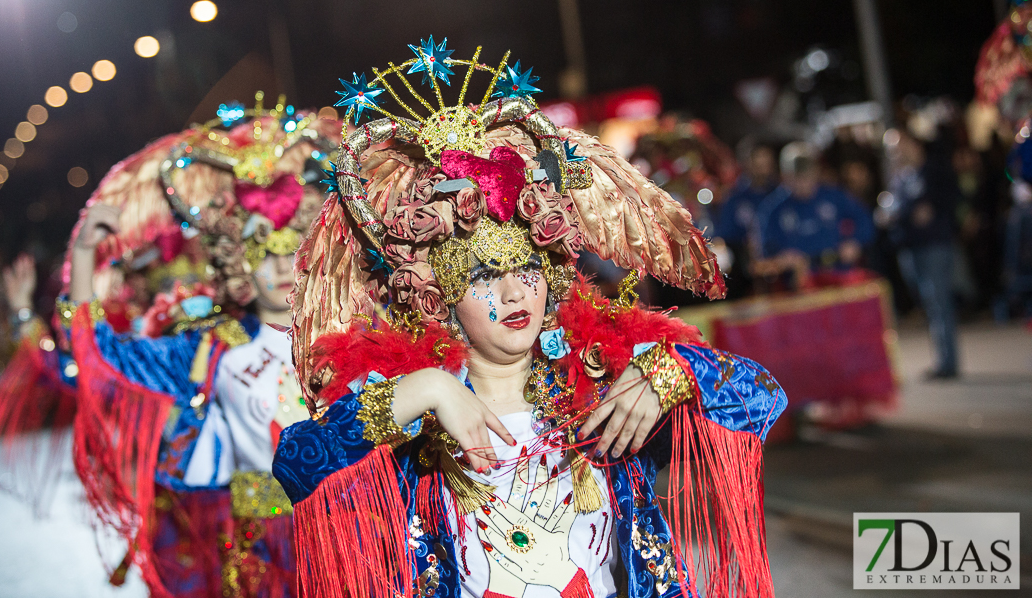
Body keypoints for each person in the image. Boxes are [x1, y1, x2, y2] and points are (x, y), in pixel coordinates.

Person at [272, 41, 787, 598]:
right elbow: (299, 465)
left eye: (526, 268)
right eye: (482, 278)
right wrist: (428, 387)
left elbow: (760, 396)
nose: (515, 292)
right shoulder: (414, 421)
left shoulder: (597, 384)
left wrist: (673, 372)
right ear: (438, 297)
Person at [37, 103, 336, 597]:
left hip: (350, 530)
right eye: (264, 253)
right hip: (263, 546)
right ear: (235, 262)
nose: (281, 267)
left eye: (292, 250)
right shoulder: (211, 348)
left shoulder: (351, 332)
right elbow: (103, 355)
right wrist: (86, 256)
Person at [884, 129, 962, 379]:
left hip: (934, 244)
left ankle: (948, 363)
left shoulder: (934, 170)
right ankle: (942, 359)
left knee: (939, 302)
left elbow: (954, 196)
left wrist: (934, 209)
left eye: (899, 146)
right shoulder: (900, 178)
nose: (896, 153)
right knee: (928, 303)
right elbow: (896, 209)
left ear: (913, 144)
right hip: (910, 247)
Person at [756, 142, 875, 287]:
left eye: (807, 176)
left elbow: (864, 218)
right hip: (798, 281)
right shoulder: (772, 209)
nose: (803, 183)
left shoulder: (832, 196)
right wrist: (782, 259)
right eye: (797, 178)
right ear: (785, 177)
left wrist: (855, 241)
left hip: (837, 270)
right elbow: (764, 252)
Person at [715, 142, 779, 297]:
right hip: (748, 273)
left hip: (780, 264)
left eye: (766, 163)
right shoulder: (735, 199)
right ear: (747, 164)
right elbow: (727, 236)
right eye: (758, 163)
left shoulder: (780, 194)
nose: (763, 168)